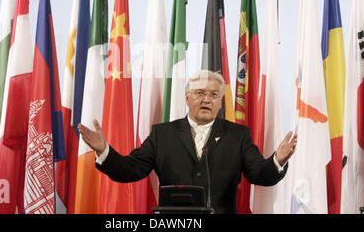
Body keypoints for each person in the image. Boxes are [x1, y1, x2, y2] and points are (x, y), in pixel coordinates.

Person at [78, 69, 297, 214]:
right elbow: (130, 170)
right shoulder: (162, 134)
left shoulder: (238, 136)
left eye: (213, 95)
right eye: (200, 93)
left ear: (220, 102)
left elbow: (260, 174)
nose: (206, 99)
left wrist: (277, 159)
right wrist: (104, 151)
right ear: (187, 97)